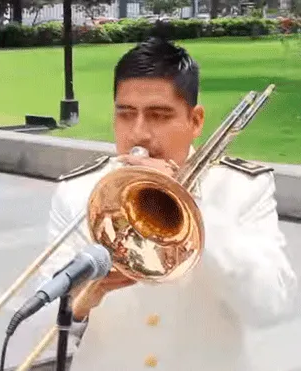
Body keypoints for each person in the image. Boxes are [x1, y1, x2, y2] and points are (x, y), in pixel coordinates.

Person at [38, 37, 298, 371]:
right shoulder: (79, 191)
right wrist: (81, 301)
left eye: (159, 116)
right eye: (126, 115)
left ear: (196, 121)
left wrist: (196, 210)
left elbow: (273, 304)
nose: (139, 134)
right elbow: (38, 328)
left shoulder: (241, 188)